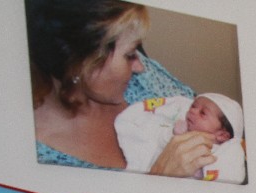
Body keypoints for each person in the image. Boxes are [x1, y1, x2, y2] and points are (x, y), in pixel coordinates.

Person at [25, 0, 217, 176]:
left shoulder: (143, 78)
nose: (140, 66)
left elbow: (210, 111)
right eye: (130, 55)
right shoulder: (40, 157)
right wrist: (159, 180)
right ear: (82, 65)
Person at [116, 92, 246, 182]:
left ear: (222, 135)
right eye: (193, 106)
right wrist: (172, 133)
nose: (192, 111)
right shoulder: (182, 130)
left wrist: (203, 172)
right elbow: (161, 142)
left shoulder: (225, 152)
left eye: (202, 113)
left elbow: (231, 176)